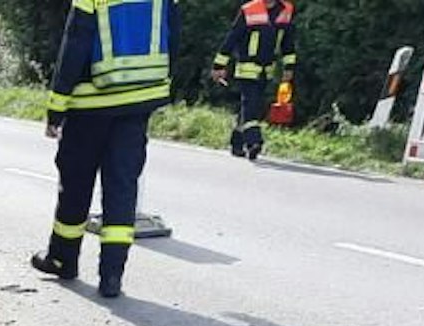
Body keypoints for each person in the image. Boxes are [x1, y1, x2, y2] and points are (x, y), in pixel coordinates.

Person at [29, 0, 180, 299]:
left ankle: (63, 259)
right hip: (140, 101)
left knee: (76, 184)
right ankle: (112, 276)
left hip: (90, 104)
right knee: (122, 187)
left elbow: (75, 44)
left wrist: (56, 107)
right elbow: (172, 34)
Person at [212, 0, 297, 161]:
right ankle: (254, 142)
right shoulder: (249, 10)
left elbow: (288, 44)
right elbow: (232, 38)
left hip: (267, 71)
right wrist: (219, 66)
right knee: (251, 105)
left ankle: (237, 142)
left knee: (253, 106)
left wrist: (289, 68)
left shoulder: (286, 11)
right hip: (247, 69)